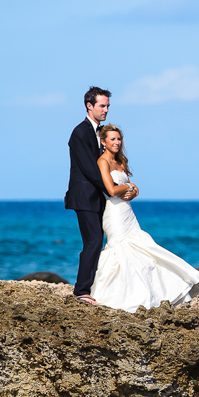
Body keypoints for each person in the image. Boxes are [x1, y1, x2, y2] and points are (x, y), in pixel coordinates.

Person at [90, 124, 199, 312]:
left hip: (127, 211)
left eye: (119, 139)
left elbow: (127, 187)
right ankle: (116, 295)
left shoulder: (121, 161)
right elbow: (111, 190)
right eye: (112, 139)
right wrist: (129, 187)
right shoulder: (103, 161)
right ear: (103, 142)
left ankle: (150, 294)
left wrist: (134, 190)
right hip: (114, 213)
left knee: (142, 252)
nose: (117, 142)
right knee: (121, 250)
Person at [64, 86, 138, 306]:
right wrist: (116, 189)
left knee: (99, 242)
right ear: (89, 106)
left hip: (99, 198)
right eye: (102, 106)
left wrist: (125, 187)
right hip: (84, 196)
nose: (106, 110)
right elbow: (90, 169)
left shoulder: (101, 132)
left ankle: (95, 287)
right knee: (93, 241)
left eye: (107, 106)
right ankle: (81, 291)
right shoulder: (80, 132)